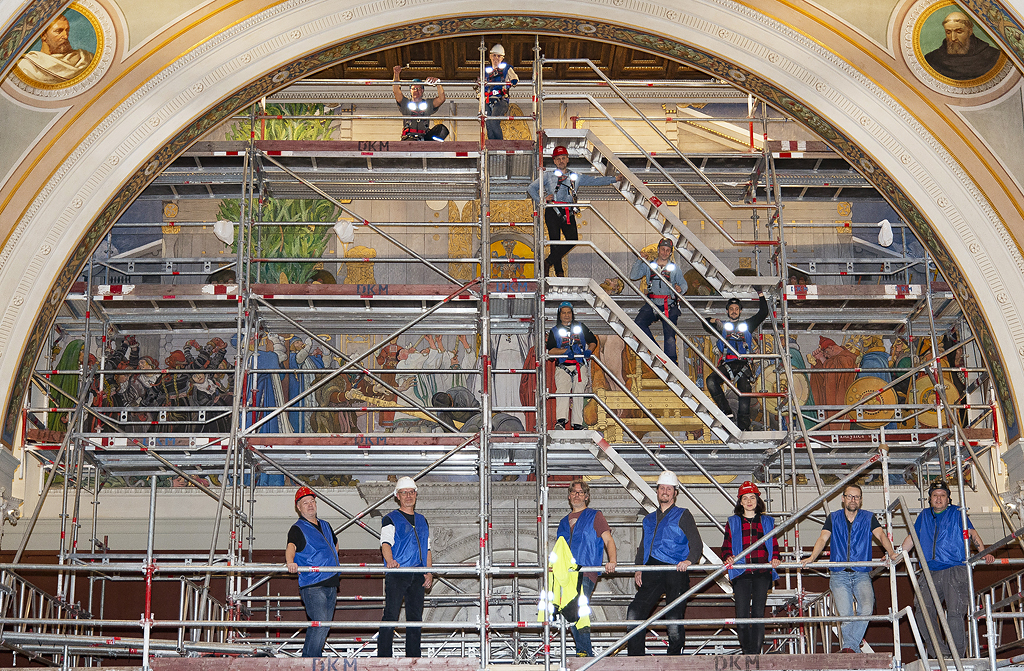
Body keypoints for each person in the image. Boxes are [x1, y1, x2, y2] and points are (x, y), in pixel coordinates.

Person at [899, 480, 995, 658]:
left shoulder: (957, 513)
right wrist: (896, 555)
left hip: (955, 569)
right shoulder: (924, 515)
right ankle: (940, 653)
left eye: (943, 495)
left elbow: (972, 533)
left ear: (948, 499)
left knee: (955, 614)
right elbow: (911, 538)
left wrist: (983, 553)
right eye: (935, 495)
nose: (939, 498)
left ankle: (956, 655)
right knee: (922, 611)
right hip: (929, 571)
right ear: (929, 499)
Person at [801, 483, 900, 653]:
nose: (853, 500)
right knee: (846, 614)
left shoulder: (869, 517)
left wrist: (890, 552)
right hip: (839, 573)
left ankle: (849, 646)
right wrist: (812, 557)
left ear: (861, 501)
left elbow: (881, 535)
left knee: (867, 608)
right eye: (849, 496)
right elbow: (823, 539)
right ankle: (852, 648)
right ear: (843, 499)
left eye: (856, 497)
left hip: (861, 572)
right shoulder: (833, 517)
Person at [627, 470, 704, 656]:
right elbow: (643, 546)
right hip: (653, 568)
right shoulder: (648, 519)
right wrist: (639, 569)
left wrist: (689, 560)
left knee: (673, 620)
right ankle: (637, 661)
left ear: (675, 493)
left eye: (669, 488)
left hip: (676, 570)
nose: (665, 491)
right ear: (657, 491)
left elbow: (697, 543)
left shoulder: (683, 515)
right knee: (634, 613)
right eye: (662, 488)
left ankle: (674, 661)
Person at [527, 145, 619, 277]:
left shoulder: (575, 176)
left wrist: (614, 179)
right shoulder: (547, 176)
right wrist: (541, 200)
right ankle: (559, 273)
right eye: (558, 159)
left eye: (563, 158)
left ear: (567, 159)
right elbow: (531, 188)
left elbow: (595, 181)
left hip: (567, 211)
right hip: (552, 210)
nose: (561, 161)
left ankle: (548, 262)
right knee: (555, 241)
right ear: (554, 161)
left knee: (573, 239)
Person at [556, 479, 618, 656]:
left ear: (586, 497)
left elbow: (608, 540)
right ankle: (582, 651)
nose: (577, 495)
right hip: (566, 574)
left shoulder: (595, 516)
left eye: (580, 492)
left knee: (578, 608)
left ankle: (585, 652)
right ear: (569, 496)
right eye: (574, 492)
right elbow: (559, 550)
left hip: (585, 570)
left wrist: (612, 560)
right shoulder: (563, 522)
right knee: (569, 610)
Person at [720, 481, 780, 655]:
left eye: (752, 497)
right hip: (741, 572)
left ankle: (755, 653)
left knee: (758, 614)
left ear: (758, 500)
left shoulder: (767, 521)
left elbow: (773, 545)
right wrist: (727, 557)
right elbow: (726, 546)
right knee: (742, 615)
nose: (749, 501)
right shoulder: (733, 522)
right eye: (745, 498)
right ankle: (748, 652)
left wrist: (775, 558)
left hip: (762, 572)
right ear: (740, 502)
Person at [379, 476, 433, 657]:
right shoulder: (390, 519)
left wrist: (428, 572)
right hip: (398, 572)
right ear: (397, 496)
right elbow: (385, 543)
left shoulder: (422, 520)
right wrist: (390, 561)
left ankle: (413, 658)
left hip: (417, 573)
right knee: (391, 615)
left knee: (415, 618)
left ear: (416, 495)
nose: (408, 496)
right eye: (404, 493)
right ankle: (383, 658)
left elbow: (427, 548)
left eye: (411, 492)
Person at [286, 486, 341, 657]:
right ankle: (310, 662)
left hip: (331, 581)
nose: (310, 505)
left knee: (323, 625)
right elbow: (291, 547)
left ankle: (310, 660)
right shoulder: (297, 528)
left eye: (312, 502)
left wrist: (332, 561)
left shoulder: (325, 525)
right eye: (305, 503)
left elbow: (335, 544)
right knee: (320, 623)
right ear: (298, 507)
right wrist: (290, 562)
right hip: (312, 583)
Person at [703, 291, 769, 430]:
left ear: (740, 311)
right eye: (731, 309)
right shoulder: (723, 326)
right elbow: (704, 322)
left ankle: (744, 425)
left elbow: (763, 313)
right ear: (727, 311)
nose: (734, 311)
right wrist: (714, 321)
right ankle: (727, 412)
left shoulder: (747, 325)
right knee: (711, 381)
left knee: (744, 392)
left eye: (736, 309)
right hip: (728, 364)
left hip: (743, 364)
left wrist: (761, 294)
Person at [629, 239, 687, 365]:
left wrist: (680, 289)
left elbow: (683, 283)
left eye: (667, 251)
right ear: (658, 250)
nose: (665, 253)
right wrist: (639, 260)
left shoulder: (674, 269)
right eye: (663, 250)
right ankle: (656, 352)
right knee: (638, 323)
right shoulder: (648, 265)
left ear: (670, 253)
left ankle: (671, 364)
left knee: (670, 335)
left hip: (669, 304)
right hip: (653, 303)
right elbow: (633, 276)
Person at [546, 301, 599, 430]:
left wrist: (588, 351)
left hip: (579, 366)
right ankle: (561, 422)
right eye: (563, 313)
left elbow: (593, 341)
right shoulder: (555, 331)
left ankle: (577, 424)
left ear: (572, 314)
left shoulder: (580, 327)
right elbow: (551, 350)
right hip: (563, 366)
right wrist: (565, 352)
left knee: (578, 394)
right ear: (559, 315)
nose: (566, 315)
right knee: (562, 392)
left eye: (568, 312)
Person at [15, 14, 94, 85]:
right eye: (58, 31)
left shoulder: (85, 58)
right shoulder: (27, 66)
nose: (65, 36)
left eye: (67, 30)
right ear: (43, 35)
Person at [924, 12, 1001, 81]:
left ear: (970, 31)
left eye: (959, 32)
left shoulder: (992, 56)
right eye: (948, 32)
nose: (953, 38)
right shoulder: (932, 59)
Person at [392, 65, 448, 141]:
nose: (416, 90)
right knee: (412, 143)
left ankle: (431, 147)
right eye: (414, 88)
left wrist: (438, 84)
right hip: (409, 138)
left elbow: (441, 99)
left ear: (422, 91)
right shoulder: (405, 103)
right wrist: (396, 74)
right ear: (410, 91)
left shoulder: (428, 104)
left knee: (441, 129)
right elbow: (396, 91)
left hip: (424, 137)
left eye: (419, 88)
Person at [483, 44, 518, 140]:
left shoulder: (506, 68)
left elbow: (514, 78)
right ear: (490, 56)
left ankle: (500, 145)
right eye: (494, 55)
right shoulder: (486, 71)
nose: (496, 58)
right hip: (488, 99)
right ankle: (492, 146)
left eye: (498, 56)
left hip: (500, 99)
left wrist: (513, 81)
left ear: (502, 58)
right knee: (488, 124)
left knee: (494, 121)